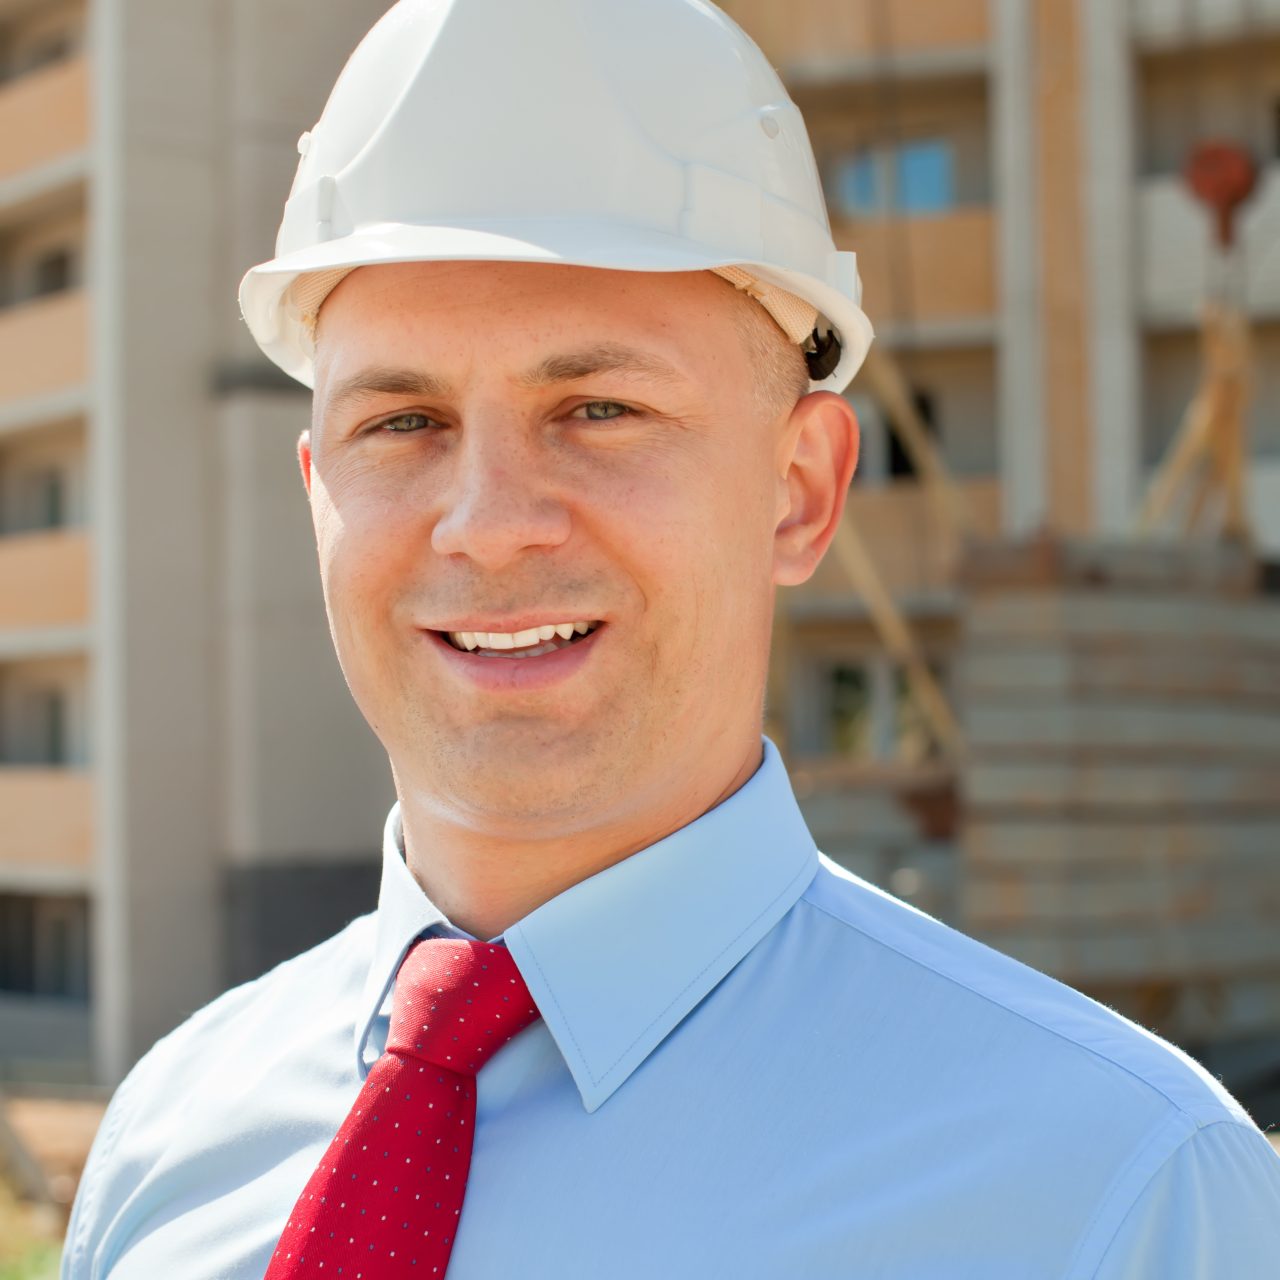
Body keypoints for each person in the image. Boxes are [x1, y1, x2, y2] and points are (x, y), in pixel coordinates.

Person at [63, 1, 1280, 1276]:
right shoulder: (170, 1141)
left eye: (599, 407)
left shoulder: (1116, 1195)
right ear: (317, 489)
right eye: (403, 422)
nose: (484, 526)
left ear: (798, 490)